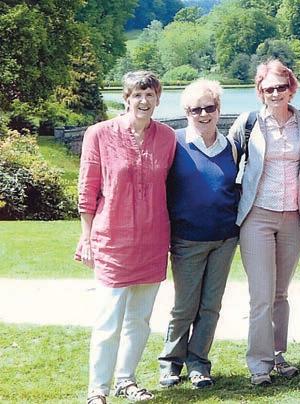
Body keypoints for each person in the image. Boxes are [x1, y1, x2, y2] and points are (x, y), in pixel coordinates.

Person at [76, 71, 177, 404]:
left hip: (153, 241)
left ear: (158, 99)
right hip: (112, 240)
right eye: (137, 95)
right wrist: (86, 237)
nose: (143, 101)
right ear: (126, 98)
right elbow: (87, 189)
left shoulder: (167, 137)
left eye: (150, 95)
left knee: (140, 320)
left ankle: (126, 380)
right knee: (108, 321)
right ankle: (97, 390)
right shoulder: (99, 134)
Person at [228, 59, 300, 386]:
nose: (275, 93)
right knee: (261, 294)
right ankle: (259, 365)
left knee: (280, 293)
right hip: (257, 216)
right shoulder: (249, 123)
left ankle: (278, 355)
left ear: (291, 88)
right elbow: (227, 164)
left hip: (293, 218)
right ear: (259, 91)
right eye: (268, 89)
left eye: (281, 87)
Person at [158, 79, 240, 389]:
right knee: (185, 305)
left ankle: (198, 363)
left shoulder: (231, 146)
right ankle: (170, 362)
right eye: (196, 109)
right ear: (186, 112)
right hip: (187, 239)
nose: (204, 114)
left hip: (224, 238)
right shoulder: (174, 143)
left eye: (210, 107)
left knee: (210, 306)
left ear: (218, 109)